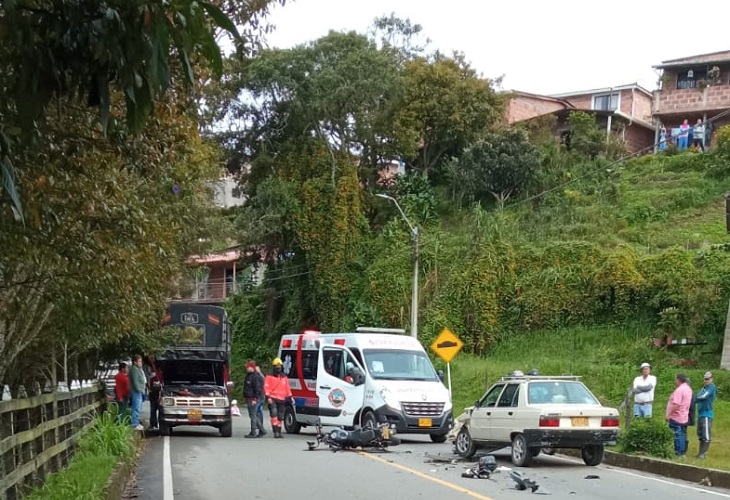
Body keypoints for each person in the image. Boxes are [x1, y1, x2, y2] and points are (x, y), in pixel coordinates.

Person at [264, 357, 293, 438]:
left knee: (280, 416)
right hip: (272, 398)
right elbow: (266, 387)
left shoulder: (284, 377)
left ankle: (279, 432)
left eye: (279, 365)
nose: (278, 367)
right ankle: (275, 432)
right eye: (277, 366)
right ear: (274, 366)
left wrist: (291, 397)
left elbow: (287, 388)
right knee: (274, 414)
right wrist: (268, 397)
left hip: (282, 399)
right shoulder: (269, 376)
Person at [666, 373, 693, 457]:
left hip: (676, 417)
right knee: (682, 434)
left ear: (678, 380)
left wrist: (668, 414)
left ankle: (679, 453)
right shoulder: (688, 389)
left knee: (677, 435)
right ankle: (682, 452)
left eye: (675, 379)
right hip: (684, 416)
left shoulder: (679, 390)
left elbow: (676, 405)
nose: (675, 381)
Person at [695, 371, 717, 459]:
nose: (706, 380)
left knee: (706, 434)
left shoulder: (712, 387)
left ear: (712, 379)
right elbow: (697, 398)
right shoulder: (703, 388)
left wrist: (694, 398)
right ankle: (700, 453)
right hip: (700, 414)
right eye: (705, 379)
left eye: (708, 379)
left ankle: (703, 454)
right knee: (700, 434)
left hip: (707, 414)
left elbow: (704, 396)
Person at [243, 361, 266, 438]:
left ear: (252, 367)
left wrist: (255, 399)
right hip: (249, 398)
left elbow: (257, 389)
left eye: (248, 367)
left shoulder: (255, 376)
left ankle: (254, 432)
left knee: (253, 415)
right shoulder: (249, 375)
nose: (246, 368)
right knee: (253, 415)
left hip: (253, 398)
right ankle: (261, 430)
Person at [129, 355, 146, 431]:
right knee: (136, 407)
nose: (141, 363)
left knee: (137, 407)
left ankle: (136, 422)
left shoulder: (137, 369)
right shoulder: (134, 369)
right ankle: (134, 424)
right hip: (136, 391)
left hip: (139, 390)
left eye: (141, 361)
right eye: (139, 361)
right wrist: (140, 390)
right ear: (135, 362)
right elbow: (136, 382)